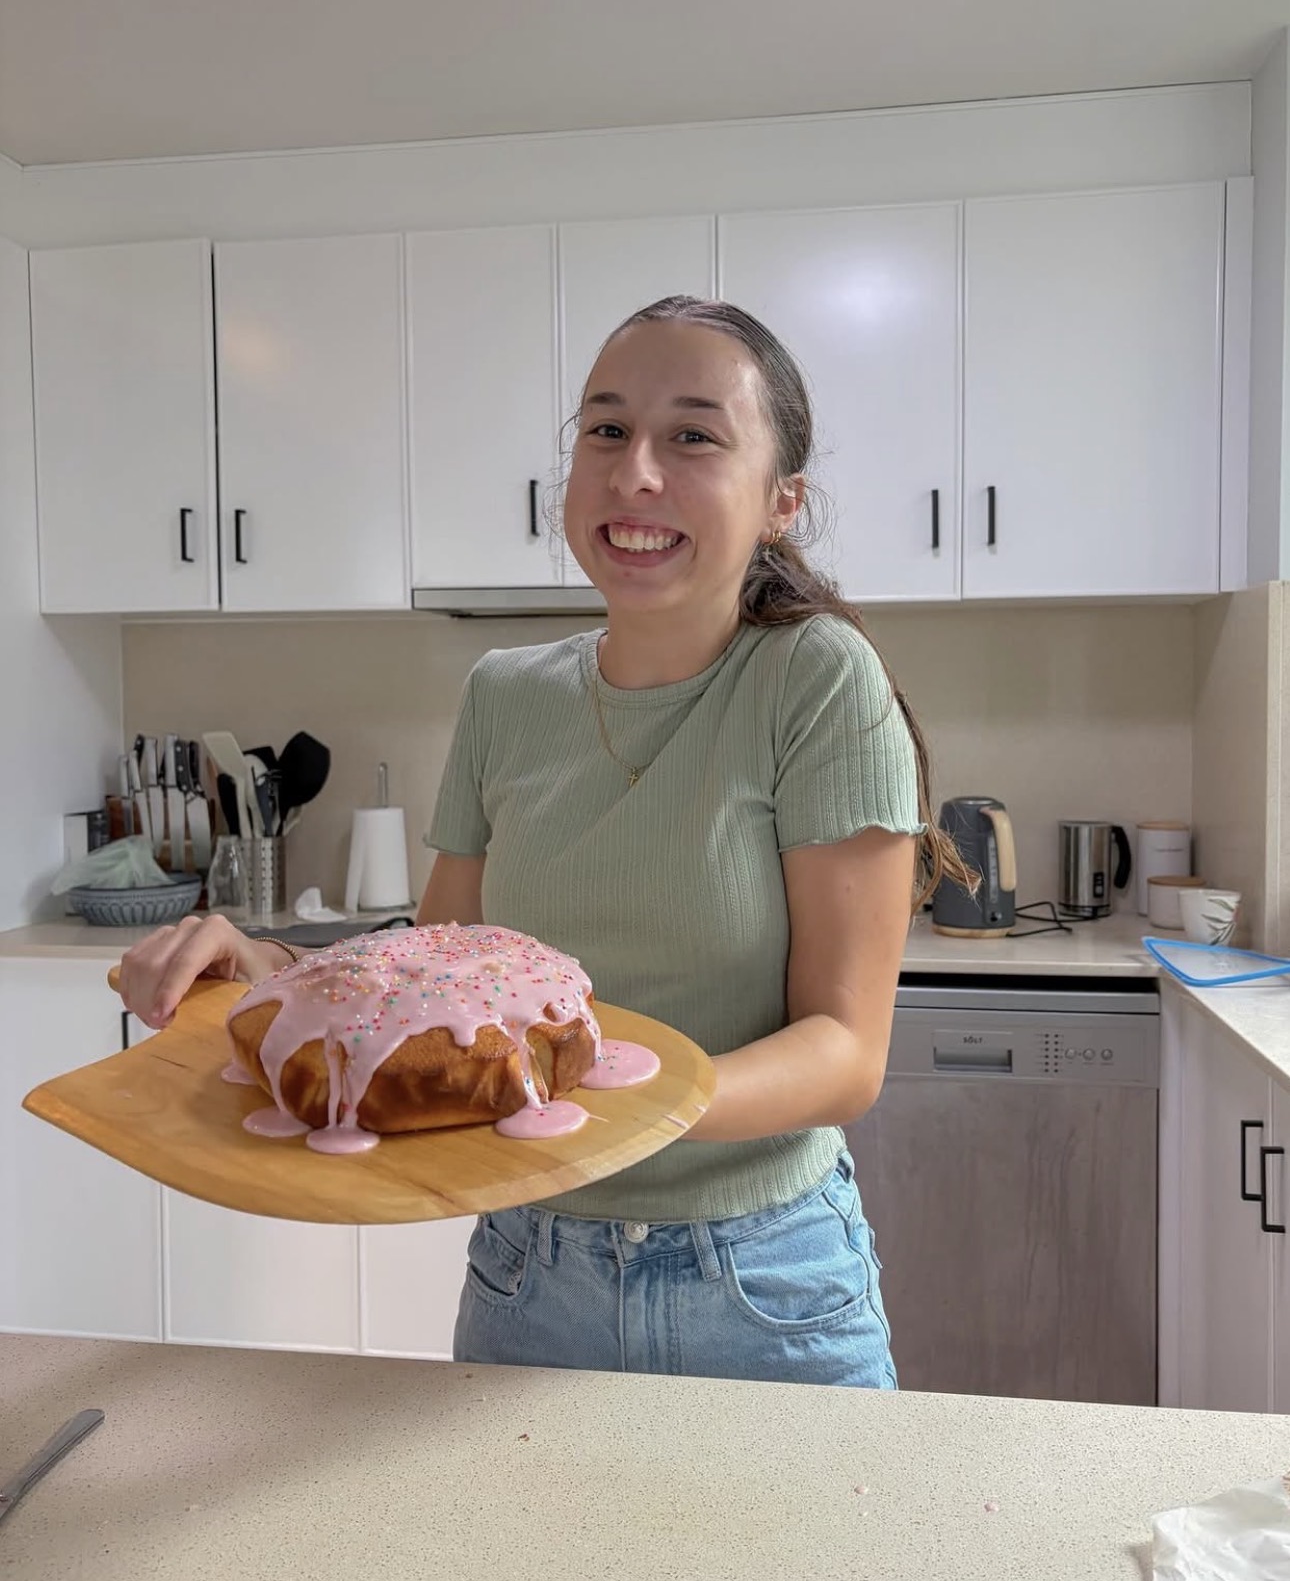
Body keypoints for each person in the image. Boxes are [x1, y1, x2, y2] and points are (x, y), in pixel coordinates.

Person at [117, 294, 966, 1388]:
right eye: (606, 428)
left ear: (780, 501)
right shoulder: (505, 695)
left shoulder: (815, 678)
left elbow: (845, 1051)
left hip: (762, 1284)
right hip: (530, 1266)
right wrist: (269, 968)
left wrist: (607, 1098)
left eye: (693, 435)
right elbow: (432, 971)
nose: (635, 472)